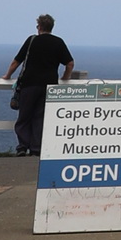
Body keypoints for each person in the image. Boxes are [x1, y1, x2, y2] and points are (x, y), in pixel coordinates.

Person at [7, 16, 78, 157]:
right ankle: (36, 149)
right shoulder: (58, 42)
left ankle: (22, 147)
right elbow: (69, 63)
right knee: (40, 117)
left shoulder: (32, 40)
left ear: (39, 26)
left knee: (24, 116)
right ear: (52, 27)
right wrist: (65, 77)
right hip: (49, 85)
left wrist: (7, 75)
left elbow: (17, 61)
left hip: (29, 84)